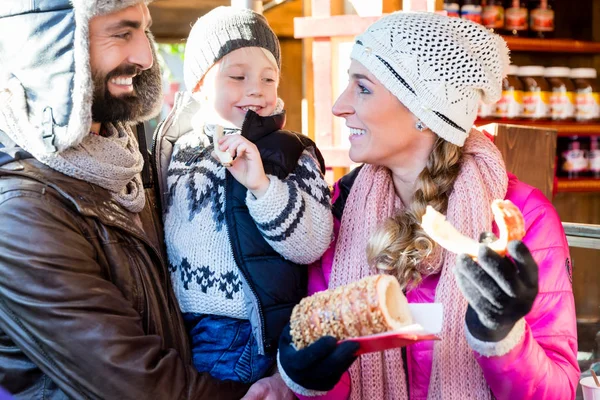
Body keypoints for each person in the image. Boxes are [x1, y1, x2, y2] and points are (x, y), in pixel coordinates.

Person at [276, 11, 580, 400]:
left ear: (423, 113)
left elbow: (559, 392)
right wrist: (310, 379)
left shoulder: (522, 218)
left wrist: (503, 338)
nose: (339, 106)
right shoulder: (338, 209)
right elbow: (335, 373)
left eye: (363, 87)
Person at [0, 1, 250, 398]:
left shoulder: (123, 162)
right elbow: (138, 385)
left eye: (143, 31)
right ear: (51, 47)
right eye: (121, 33)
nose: (146, 56)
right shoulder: (21, 211)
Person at [153, 6, 333, 386]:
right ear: (199, 84)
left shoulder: (290, 153)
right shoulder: (176, 148)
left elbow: (313, 243)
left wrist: (263, 188)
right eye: (237, 76)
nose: (256, 89)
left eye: (269, 79)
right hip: (175, 323)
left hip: (242, 329)